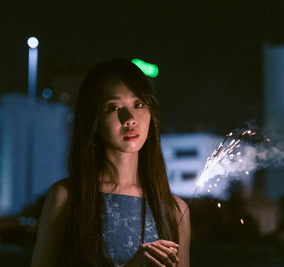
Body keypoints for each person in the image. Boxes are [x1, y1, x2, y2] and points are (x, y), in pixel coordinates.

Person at [31, 58, 191, 266]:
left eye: (138, 104)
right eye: (113, 107)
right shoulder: (67, 197)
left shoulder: (175, 210)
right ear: (94, 121)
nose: (130, 118)